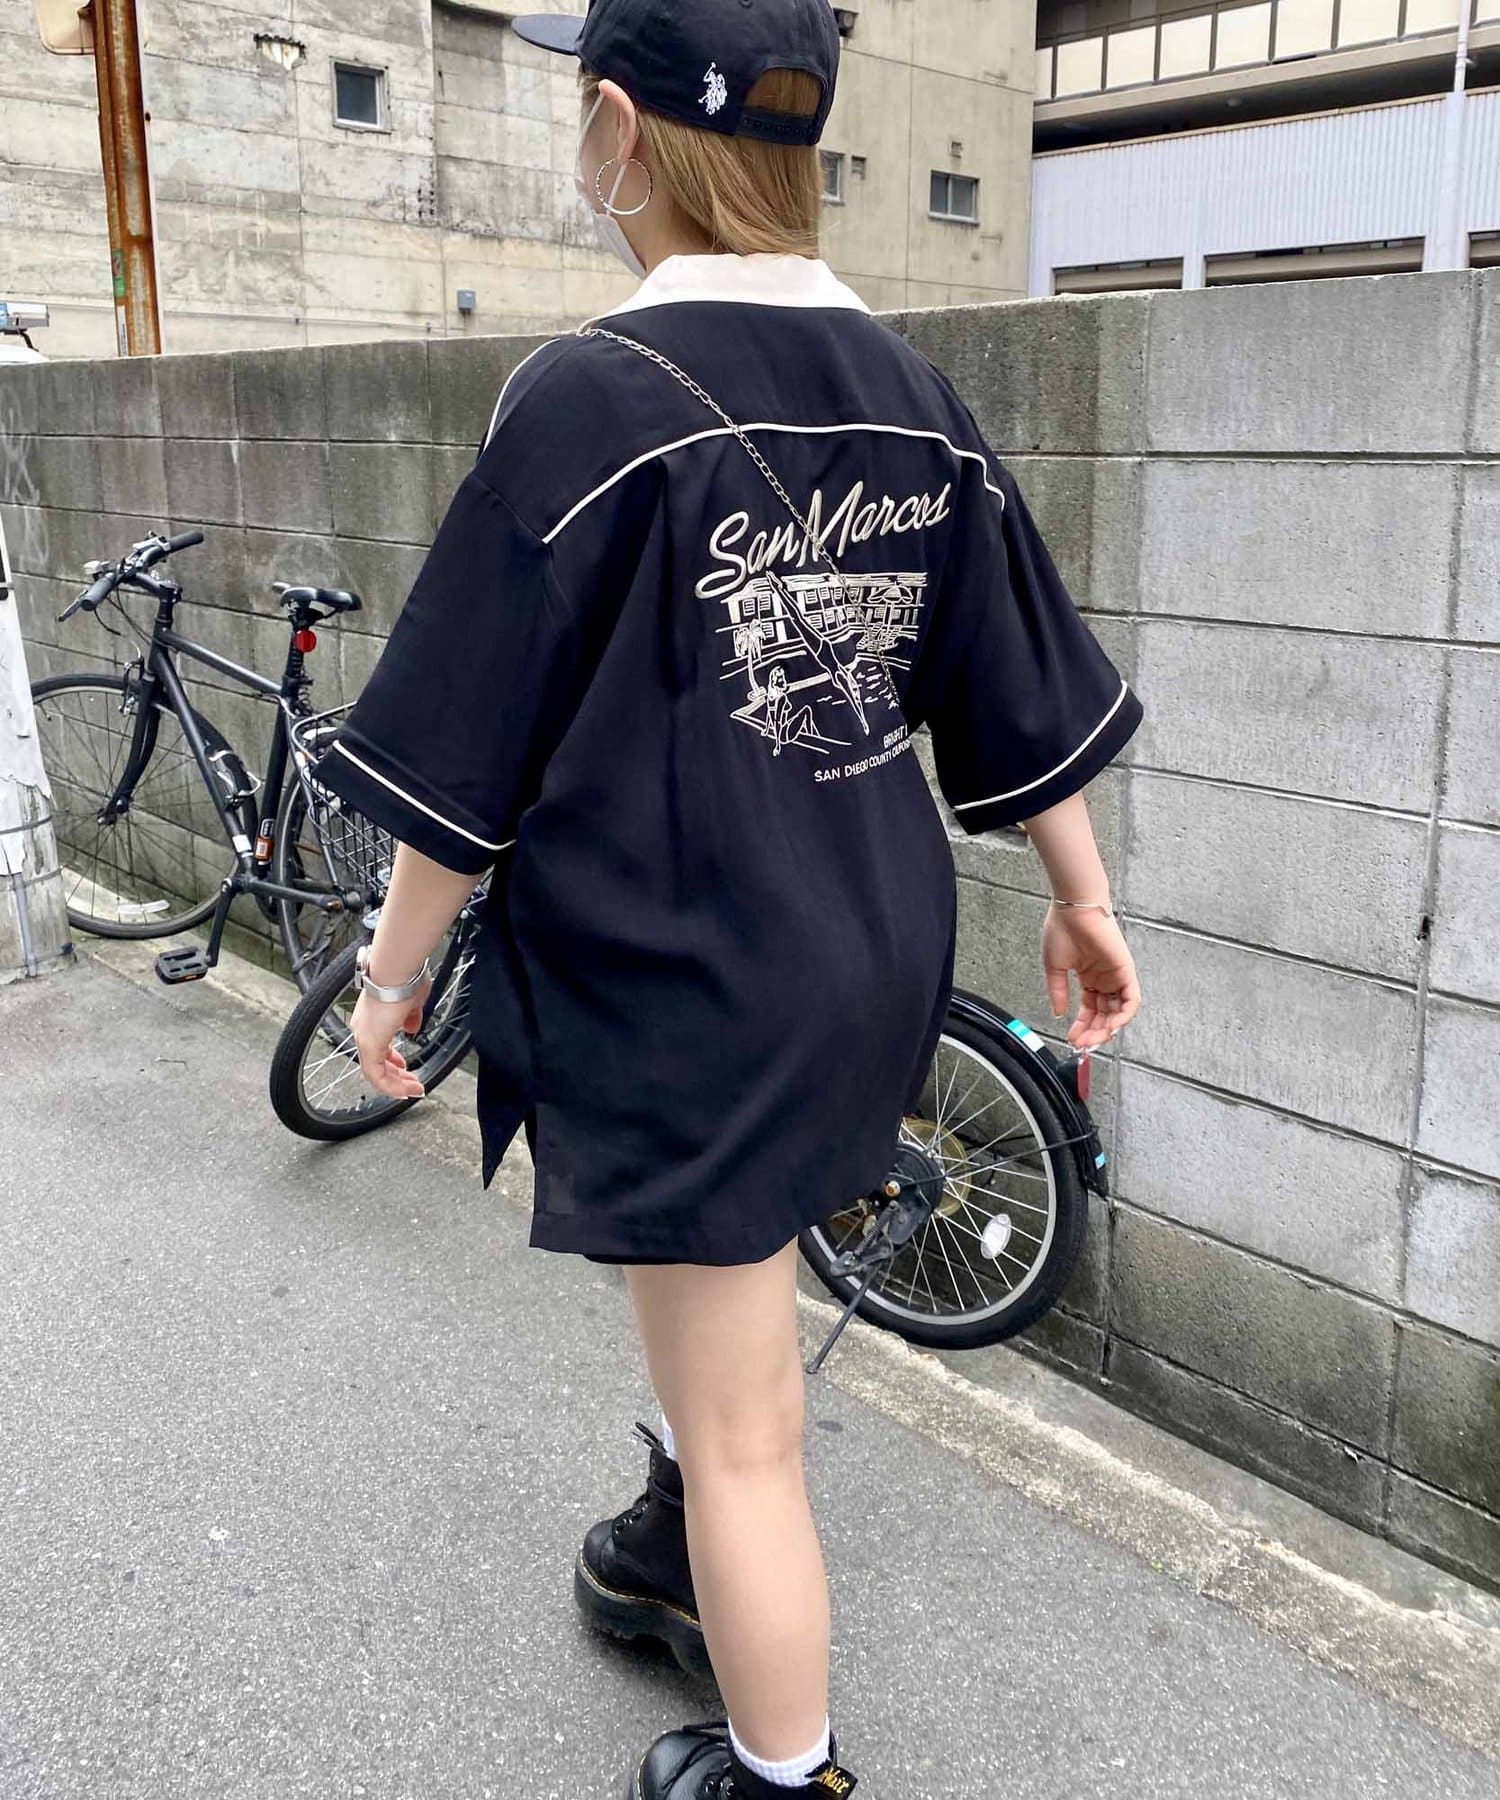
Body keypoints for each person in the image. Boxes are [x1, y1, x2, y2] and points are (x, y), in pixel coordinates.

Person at [309, 0, 1145, 1791]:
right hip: (867, 945)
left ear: (620, 129)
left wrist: (388, 980)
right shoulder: (912, 388)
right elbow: (1019, 679)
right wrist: (1084, 898)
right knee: (731, 1308)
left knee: (752, 1428)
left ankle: (785, 1770)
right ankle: (672, 1531)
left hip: (687, 967)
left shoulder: (585, 398)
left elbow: (464, 754)